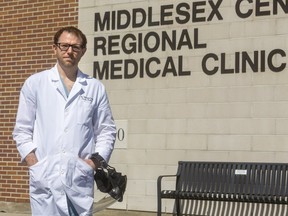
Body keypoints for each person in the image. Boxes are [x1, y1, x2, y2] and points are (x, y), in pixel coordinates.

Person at [12, 26, 116, 216]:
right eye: (65, 46)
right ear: (55, 48)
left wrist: (93, 162)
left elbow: (106, 131)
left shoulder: (94, 88)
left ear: (83, 51)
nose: (70, 51)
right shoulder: (35, 84)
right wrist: (35, 163)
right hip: (44, 176)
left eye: (76, 47)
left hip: (79, 178)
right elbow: (22, 131)